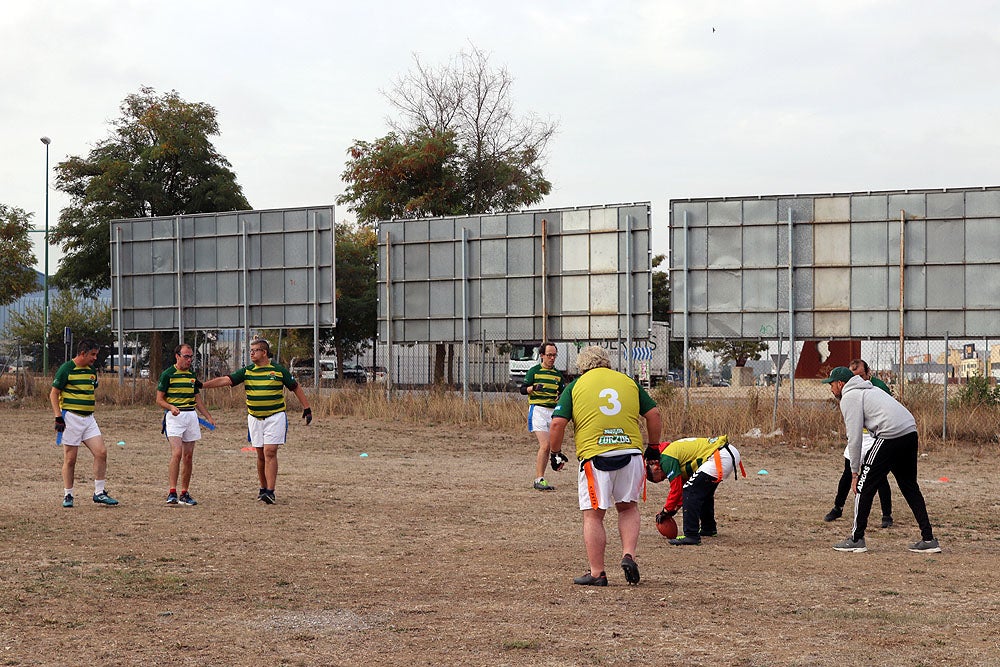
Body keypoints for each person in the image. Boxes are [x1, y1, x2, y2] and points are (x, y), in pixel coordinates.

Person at [548, 346, 661, 586]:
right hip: (631, 454)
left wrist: (555, 453)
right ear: (607, 362)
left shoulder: (575, 386)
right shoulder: (628, 382)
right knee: (628, 508)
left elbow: (557, 424)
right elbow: (653, 414)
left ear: (582, 366)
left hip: (596, 457)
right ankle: (628, 554)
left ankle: (597, 572)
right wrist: (653, 446)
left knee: (593, 516)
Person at [822, 366, 940, 554]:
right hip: (910, 432)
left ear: (841, 384)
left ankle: (856, 538)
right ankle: (928, 539)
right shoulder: (871, 389)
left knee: (863, 486)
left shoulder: (849, 397)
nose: (831, 389)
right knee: (909, 486)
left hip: (890, 435)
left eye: (832, 385)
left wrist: (854, 472)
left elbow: (854, 437)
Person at [202, 339, 312, 504]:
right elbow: (226, 380)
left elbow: (295, 387)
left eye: (255, 350)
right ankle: (263, 487)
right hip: (254, 417)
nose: (251, 353)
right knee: (260, 454)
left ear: (264, 353)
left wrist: (307, 408)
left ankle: (271, 491)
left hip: (275, 417)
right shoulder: (247, 371)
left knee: (270, 452)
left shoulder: (278, 371)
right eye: (250, 350)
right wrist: (202, 385)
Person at [823, 359, 893, 528]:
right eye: (853, 376)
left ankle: (887, 514)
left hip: (873, 437)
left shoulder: (877, 388)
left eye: (860, 375)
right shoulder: (849, 393)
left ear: (868, 374)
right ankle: (838, 507)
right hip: (858, 437)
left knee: (879, 475)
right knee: (848, 472)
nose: (857, 379)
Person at [50, 338, 119, 508]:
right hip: (71, 418)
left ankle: (99, 493)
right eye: (93, 354)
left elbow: (91, 389)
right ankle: (68, 494)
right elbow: (53, 394)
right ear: (82, 353)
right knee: (71, 459)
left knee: (101, 452)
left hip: (89, 419)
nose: (95, 358)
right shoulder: (66, 369)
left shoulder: (92, 370)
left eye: (96, 354)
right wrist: (58, 417)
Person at [645, 435, 745, 545]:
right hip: (727, 452)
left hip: (720, 456)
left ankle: (691, 535)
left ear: (656, 468)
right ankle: (708, 528)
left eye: (663, 477)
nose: (666, 477)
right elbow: (682, 492)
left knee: (690, 490)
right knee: (701, 491)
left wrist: (665, 511)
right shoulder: (672, 454)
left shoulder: (666, 459)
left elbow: (678, 490)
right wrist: (673, 509)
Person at [156, 343, 215, 506]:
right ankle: (172, 492)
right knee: (177, 453)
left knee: (188, 456)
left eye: (191, 357)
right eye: (186, 356)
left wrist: (208, 416)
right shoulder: (168, 374)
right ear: (177, 356)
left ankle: (184, 493)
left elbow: (197, 399)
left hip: (190, 416)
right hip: (175, 417)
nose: (189, 360)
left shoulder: (191, 375)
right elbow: (159, 399)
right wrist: (170, 407)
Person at [519, 342, 565, 491]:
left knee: (551, 446)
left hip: (553, 412)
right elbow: (522, 390)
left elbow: (563, 392)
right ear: (542, 356)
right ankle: (538, 479)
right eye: (549, 355)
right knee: (545, 445)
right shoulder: (534, 371)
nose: (552, 358)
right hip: (538, 410)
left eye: (554, 355)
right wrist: (533, 388)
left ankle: (550, 466)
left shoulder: (558, 375)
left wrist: (560, 398)